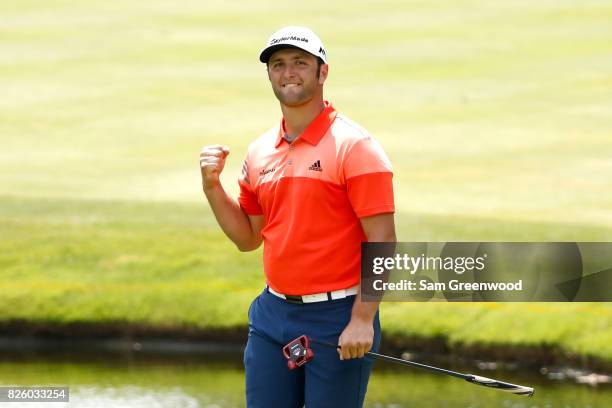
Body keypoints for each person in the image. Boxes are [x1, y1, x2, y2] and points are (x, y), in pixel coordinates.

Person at [200, 26, 396, 408]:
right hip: (273, 316)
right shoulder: (259, 153)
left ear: (322, 73)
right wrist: (212, 188)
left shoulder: (355, 147)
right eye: (278, 64)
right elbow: (248, 238)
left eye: (300, 63)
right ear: (269, 74)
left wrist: (362, 318)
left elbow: (383, 240)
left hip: (338, 315)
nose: (288, 72)